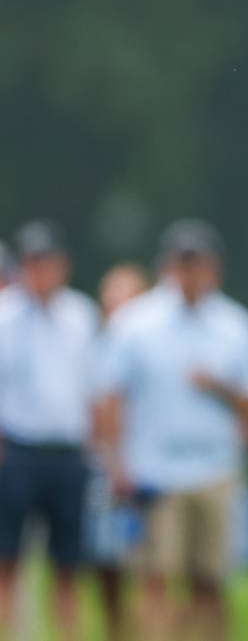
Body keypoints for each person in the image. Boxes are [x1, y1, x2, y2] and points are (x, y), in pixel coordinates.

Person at [95, 219, 248, 641]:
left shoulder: (237, 325)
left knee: (210, 581)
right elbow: (110, 397)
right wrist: (117, 464)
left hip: (215, 468)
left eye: (199, 264)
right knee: (155, 577)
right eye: (183, 264)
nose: (191, 274)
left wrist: (219, 389)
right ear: (167, 267)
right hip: (154, 470)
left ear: (215, 269)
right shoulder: (135, 323)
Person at [0, 220, 100, 641]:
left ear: (63, 266)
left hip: (69, 453)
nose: (40, 271)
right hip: (16, 451)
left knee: (68, 565)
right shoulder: (4, 316)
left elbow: (95, 386)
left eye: (47, 262)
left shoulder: (82, 314)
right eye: (33, 263)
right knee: (7, 559)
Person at [87, 262, 151, 641]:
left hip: (146, 466)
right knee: (104, 557)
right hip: (101, 465)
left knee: (148, 560)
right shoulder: (92, 347)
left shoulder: (153, 345)